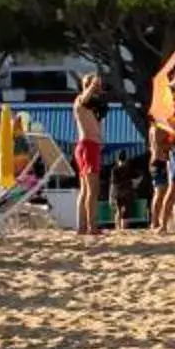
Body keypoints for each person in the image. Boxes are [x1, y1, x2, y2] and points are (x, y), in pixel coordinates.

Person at [70, 72, 112, 234]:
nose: (96, 88)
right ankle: (91, 226)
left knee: (85, 190)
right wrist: (93, 84)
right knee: (92, 190)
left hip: (88, 146)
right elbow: (85, 97)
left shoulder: (91, 107)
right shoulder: (80, 100)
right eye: (93, 85)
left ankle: (82, 226)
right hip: (87, 146)